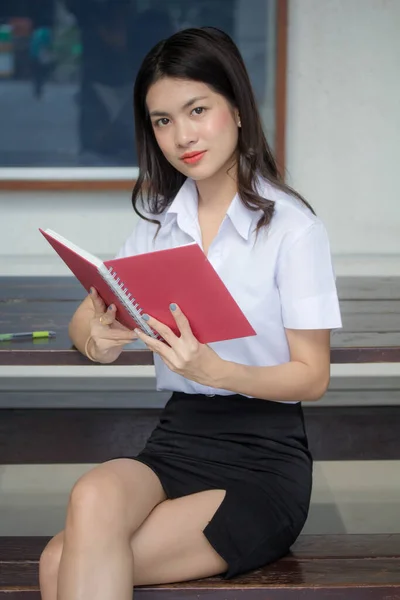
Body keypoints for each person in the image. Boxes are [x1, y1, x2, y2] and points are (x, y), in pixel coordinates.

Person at [39, 26, 342, 599]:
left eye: (196, 110)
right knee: (92, 494)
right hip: (176, 438)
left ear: (237, 109)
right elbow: (90, 311)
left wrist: (215, 371)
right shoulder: (157, 224)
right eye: (162, 121)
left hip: (263, 459)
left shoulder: (293, 229)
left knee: (60, 567)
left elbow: (314, 376)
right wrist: (94, 339)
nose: (181, 136)